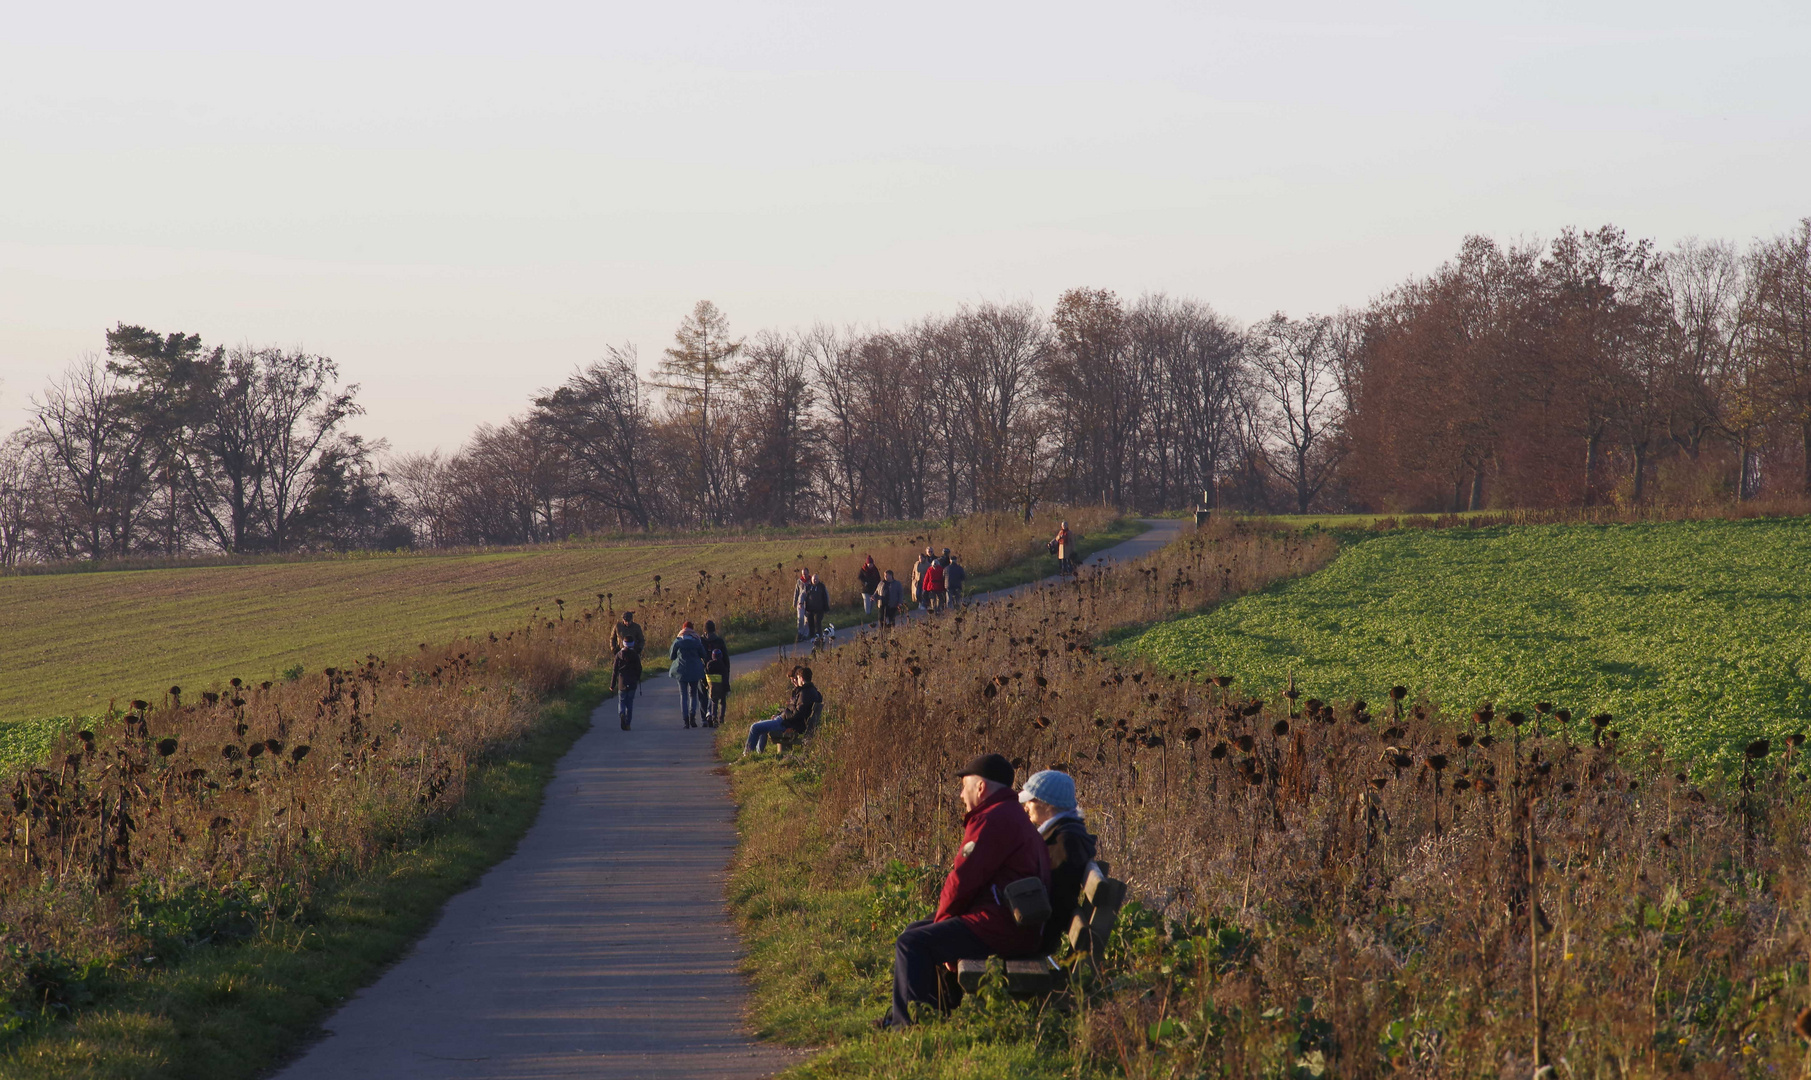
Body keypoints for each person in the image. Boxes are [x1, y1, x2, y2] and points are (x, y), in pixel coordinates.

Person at [878, 753, 1051, 1028]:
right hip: (1013, 923)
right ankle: (926, 1015)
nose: (960, 795)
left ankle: (910, 1028)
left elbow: (961, 881)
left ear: (981, 787)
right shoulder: (1011, 815)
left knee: (912, 945)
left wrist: (945, 926)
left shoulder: (992, 819)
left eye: (964, 786)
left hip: (1002, 927)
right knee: (914, 931)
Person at [1018, 770, 1097, 955]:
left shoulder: (1064, 841)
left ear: (1046, 803)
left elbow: (1057, 898)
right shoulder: (1063, 834)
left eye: (1031, 800)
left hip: (1035, 933)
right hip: (1036, 927)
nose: (1026, 807)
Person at [743, 665, 823, 754]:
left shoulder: (805, 693)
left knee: (755, 727)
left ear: (801, 678)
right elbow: (796, 711)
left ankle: (747, 755)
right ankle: (757, 754)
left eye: (797, 678)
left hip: (786, 724)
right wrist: (781, 715)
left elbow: (798, 713)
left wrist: (783, 716)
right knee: (761, 724)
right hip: (787, 722)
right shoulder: (811, 691)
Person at [668, 621, 707, 728]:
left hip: (681, 671)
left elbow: (671, 656)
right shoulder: (697, 641)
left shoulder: (678, 642)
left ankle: (685, 720)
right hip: (694, 670)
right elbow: (703, 654)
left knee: (683, 695)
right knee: (693, 694)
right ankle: (692, 717)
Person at [609, 644, 642, 731]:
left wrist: (612, 685)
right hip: (632, 682)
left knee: (622, 701)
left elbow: (615, 671)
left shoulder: (619, 655)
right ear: (633, 644)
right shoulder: (635, 655)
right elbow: (639, 669)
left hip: (622, 682)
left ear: (623, 643)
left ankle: (622, 713)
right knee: (630, 703)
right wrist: (637, 677)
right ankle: (627, 724)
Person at [704, 645, 731, 728]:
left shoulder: (709, 665)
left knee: (714, 702)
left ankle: (714, 718)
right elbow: (725, 679)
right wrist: (728, 689)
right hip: (722, 687)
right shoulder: (723, 666)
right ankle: (721, 718)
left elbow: (704, 676)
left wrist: (705, 685)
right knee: (723, 703)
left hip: (712, 688)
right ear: (721, 656)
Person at [804, 572, 830, 640]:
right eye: (814, 579)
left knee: (818, 622)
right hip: (810, 609)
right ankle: (812, 636)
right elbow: (804, 596)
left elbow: (825, 597)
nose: (815, 580)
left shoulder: (821, 586)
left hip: (819, 609)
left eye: (816, 579)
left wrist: (826, 608)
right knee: (810, 623)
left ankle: (819, 635)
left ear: (818, 580)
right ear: (811, 580)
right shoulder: (808, 587)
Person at [793, 570, 812, 641]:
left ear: (808, 573)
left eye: (806, 574)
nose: (804, 576)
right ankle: (800, 633)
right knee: (800, 619)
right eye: (803, 574)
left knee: (807, 620)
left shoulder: (811, 581)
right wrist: (794, 603)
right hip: (800, 603)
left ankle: (805, 634)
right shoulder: (799, 581)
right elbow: (796, 592)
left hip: (809, 603)